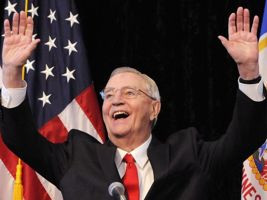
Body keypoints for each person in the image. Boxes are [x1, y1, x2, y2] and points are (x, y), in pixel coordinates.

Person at [1, 7, 267, 200]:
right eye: (110, 94)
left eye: (129, 93)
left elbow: (243, 139)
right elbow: (20, 139)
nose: (116, 99)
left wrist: (249, 71)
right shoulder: (77, 157)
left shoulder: (189, 155)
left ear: (154, 108)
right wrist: (12, 73)